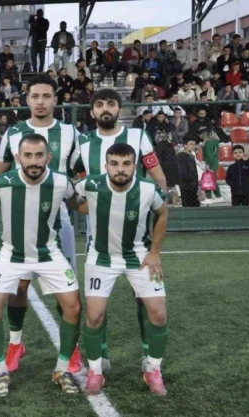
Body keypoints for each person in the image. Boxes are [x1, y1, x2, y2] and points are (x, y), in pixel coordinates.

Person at [0, 133, 81, 397]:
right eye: (27, 155)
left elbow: (79, 203)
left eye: (39, 155)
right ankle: (1, 372)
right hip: (11, 254)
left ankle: (62, 370)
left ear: (48, 157)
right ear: (18, 157)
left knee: (73, 307)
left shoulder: (61, 182)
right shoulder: (3, 182)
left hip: (48, 253)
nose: (34, 161)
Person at [70, 88, 168, 374]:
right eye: (99, 104)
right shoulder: (83, 142)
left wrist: (156, 202)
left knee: (144, 299)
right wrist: (88, 208)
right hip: (98, 238)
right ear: (92, 111)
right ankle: (101, 357)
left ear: (119, 108)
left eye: (111, 104)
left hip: (137, 235)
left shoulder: (138, 136)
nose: (105, 109)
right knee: (98, 305)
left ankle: (148, 355)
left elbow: (157, 176)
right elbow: (73, 183)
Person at [0, 75, 81, 374]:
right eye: (35, 96)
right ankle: (16, 344)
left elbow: (80, 171)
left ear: (55, 99)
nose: (40, 101)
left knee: (65, 287)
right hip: (20, 221)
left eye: (46, 96)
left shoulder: (69, 132)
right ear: (27, 99)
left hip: (58, 220)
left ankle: (71, 349)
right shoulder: (14, 132)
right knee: (18, 287)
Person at [75, 143, 170, 397]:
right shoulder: (91, 184)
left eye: (126, 163)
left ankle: (153, 369)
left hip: (139, 257)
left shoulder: (148, 189)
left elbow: (162, 214)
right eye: (114, 164)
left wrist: (155, 252)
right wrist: (87, 207)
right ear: (106, 166)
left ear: (134, 166)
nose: (120, 169)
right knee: (94, 317)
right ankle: (96, 372)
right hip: (101, 258)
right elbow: (72, 199)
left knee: (158, 314)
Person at [177, 136, 201, 207]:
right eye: (191, 144)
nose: (193, 146)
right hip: (187, 186)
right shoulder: (182, 156)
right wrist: (191, 180)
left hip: (192, 186)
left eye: (194, 144)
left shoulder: (190, 155)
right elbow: (183, 172)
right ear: (185, 145)